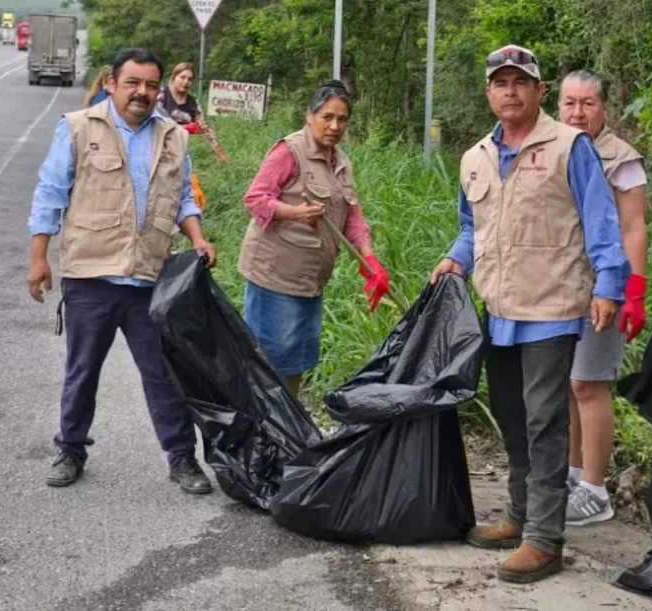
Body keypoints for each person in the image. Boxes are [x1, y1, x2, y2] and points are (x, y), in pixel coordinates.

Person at [430, 44, 630, 584]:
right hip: (498, 309)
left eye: (521, 82)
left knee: (545, 421)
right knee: (513, 418)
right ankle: (519, 517)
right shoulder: (475, 156)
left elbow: (600, 220)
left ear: (540, 92)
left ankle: (545, 539)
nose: (510, 91)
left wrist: (611, 285)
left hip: (553, 306)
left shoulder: (570, 146)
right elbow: (474, 228)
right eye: (501, 83)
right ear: (489, 93)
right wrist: (455, 257)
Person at [27, 48, 218, 495]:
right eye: (133, 83)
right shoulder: (78, 128)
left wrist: (198, 239)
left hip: (149, 277)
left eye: (152, 85)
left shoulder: (173, 136)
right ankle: (71, 448)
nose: (143, 93)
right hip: (91, 276)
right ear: (111, 82)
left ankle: (182, 458)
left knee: (163, 374)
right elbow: (50, 193)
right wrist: (39, 258)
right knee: (83, 370)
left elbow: (186, 197)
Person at [236, 80, 390, 396]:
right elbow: (255, 198)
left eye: (342, 119)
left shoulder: (341, 162)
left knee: (297, 360)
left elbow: (353, 217)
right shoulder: (289, 151)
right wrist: (295, 212)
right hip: (274, 276)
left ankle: (289, 428)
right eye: (327, 117)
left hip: (310, 282)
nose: (334, 126)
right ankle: (263, 435)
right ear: (310, 116)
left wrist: (370, 259)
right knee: (270, 363)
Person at [556, 70, 649, 526]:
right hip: (559, 286)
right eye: (569, 103)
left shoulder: (620, 159)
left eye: (588, 103)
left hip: (603, 288)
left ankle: (595, 488)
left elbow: (633, 227)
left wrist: (633, 291)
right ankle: (573, 473)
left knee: (588, 384)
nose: (578, 112)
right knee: (567, 383)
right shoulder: (553, 145)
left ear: (604, 107)